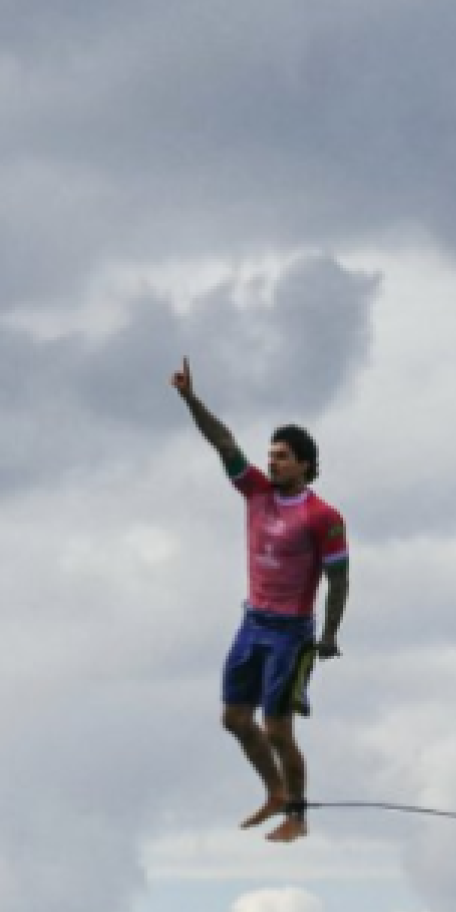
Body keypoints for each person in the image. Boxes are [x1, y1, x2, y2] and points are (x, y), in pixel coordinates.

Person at [172, 356, 350, 844]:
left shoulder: (323, 516)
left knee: (277, 729)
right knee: (234, 719)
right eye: (271, 455)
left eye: (283, 457)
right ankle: (274, 791)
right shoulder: (255, 492)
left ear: (306, 466)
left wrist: (330, 635)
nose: (272, 463)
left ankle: (297, 813)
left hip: (291, 634)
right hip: (252, 622)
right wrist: (191, 400)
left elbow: (339, 578)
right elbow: (223, 441)